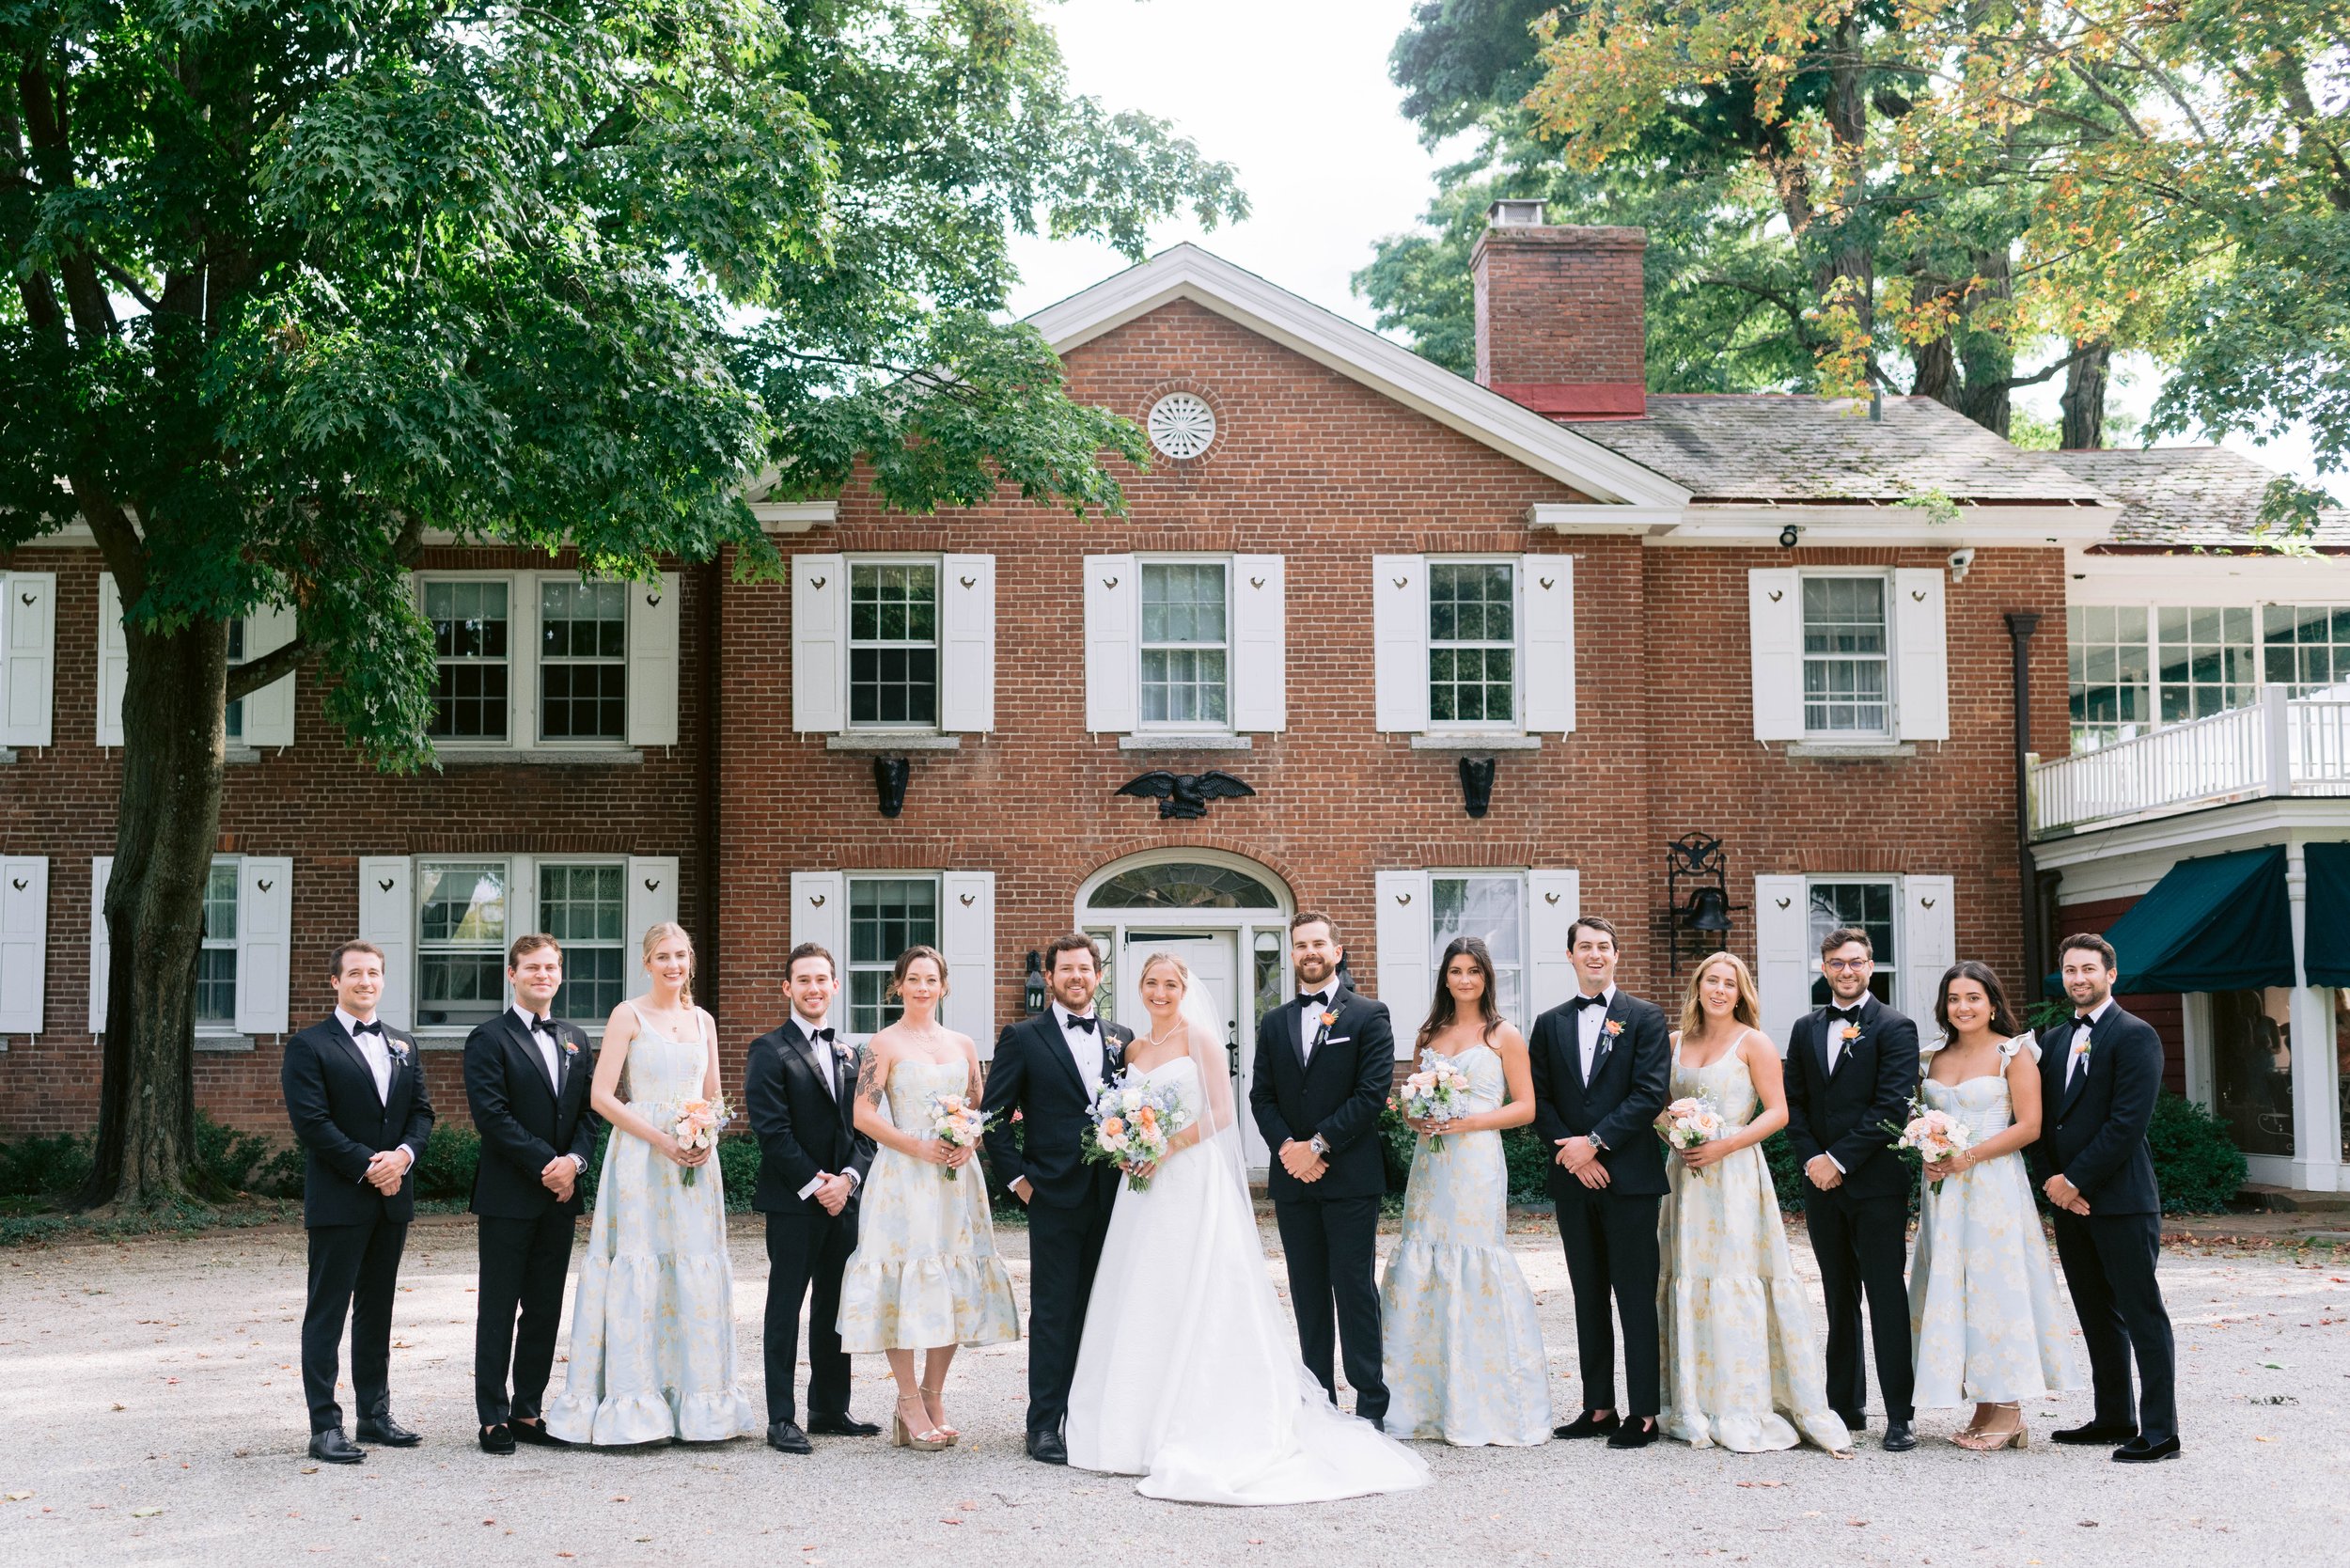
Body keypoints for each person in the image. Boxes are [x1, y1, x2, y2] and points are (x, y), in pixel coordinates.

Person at [1066, 951, 1430, 1503]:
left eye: (1169, 984)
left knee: (1204, 1288)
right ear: (1138, 988)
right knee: (1145, 1290)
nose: (1160, 993)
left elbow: (1222, 1114)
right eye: (1151, 983)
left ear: (1184, 990)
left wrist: (1163, 1144)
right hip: (1145, 1191)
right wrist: (1126, 1145)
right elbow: (1118, 1111)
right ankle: (1132, 1421)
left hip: (1189, 1178)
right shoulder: (1132, 1050)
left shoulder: (1201, 1040)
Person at [543, 922, 760, 1445]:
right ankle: (632, 1404)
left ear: (691, 961)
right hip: (641, 1159)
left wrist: (708, 1135)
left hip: (693, 1162)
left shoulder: (704, 1020)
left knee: (692, 1266)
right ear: (646, 962)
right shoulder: (628, 1014)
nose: (673, 965)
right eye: (663, 956)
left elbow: (714, 1096)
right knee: (640, 1265)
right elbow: (602, 1097)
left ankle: (698, 1406)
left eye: (681, 956)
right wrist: (663, 1141)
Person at [1655, 951, 1851, 1454]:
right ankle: (1689, 1402)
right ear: (1697, 987)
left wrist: (1725, 1142)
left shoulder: (1753, 1042)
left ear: (1742, 993)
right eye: (1712, 981)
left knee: (1733, 1275)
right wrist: (1674, 1133)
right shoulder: (1674, 1042)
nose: (1720, 990)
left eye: (1731, 983)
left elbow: (1779, 1112)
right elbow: (1655, 1105)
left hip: (1735, 1174)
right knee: (1686, 1274)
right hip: (1684, 1175)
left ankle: (1742, 1399)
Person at [837, 946, 1020, 1450]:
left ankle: (934, 1394)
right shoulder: (883, 1044)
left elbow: (981, 1110)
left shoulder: (963, 1044)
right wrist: (918, 1144)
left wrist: (970, 1143)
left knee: (952, 1277)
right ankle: (906, 1401)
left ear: (944, 986)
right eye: (913, 979)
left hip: (955, 1181)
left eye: (930, 979)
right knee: (902, 1278)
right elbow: (864, 1115)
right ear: (898, 985)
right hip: (902, 1176)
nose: (922, 987)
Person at [1378, 936, 1551, 1446]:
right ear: (1445, 978)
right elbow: (1408, 1104)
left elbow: (1525, 1108)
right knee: (1422, 1256)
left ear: (1487, 977)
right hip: (1430, 1166)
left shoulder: (1503, 1034)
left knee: (1474, 1258)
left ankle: (1483, 1403)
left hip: (1475, 1161)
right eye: (1455, 970)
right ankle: (1419, 1403)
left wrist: (1467, 1121)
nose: (1464, 979)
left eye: (1473, 970)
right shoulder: (1429, 1033)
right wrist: (1421, 1116)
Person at [1909, 961, 2080, 1450]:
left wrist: (1968, 1156)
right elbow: (1923, 1118)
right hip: (1943, 1192)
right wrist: (1927, 1150)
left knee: (1994, 1291)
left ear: (1992, 1003)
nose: (1962, 1007)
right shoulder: (1932, 1056)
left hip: (1992, 1188)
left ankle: (2008, 1412)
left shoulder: (2015, 1052)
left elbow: (2029, 1125)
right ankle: (1985, 1406)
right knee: (1960, 1292)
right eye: (1954, 999)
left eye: (1973, 998)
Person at [979, 933, 1134, 1464]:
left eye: (1084, 969)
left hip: (1116, 1198)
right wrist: (1019, 1181)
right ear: (1050, 977)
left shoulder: (1123, 1038)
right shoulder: (1022, 1037)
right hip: (1052, 1195)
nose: (1076, 977)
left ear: (1098, 975)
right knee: (1053, 1312)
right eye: (1065, 969)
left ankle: (1093, 1417)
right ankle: (1044, 1424)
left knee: (1104, 1308)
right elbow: (993, 1118)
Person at [280, 940, 435, 1465]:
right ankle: (324, 1426)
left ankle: (374, 1414)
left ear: (383, 981)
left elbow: (422, 1113)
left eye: (374, 974)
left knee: (377, 1309)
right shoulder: (310, 1045)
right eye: (354, 974)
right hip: (341, 1197)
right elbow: (313, 1124)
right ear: (335, 981)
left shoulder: (403, 1043)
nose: (365, 981)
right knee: (327, 1312)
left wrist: (405, 1158)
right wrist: (374, 1166)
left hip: (394, 1198)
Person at [2034, 933, 2180, 1463]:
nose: (2079, 979)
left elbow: (2127, 1123)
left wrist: (2076, 1180)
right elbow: (2040, 1121)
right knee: (2096, 1314)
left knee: (2142, 1314)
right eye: (2070, 970)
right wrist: (2055, 1183)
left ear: (2110, 974)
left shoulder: (2136, 1036)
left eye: (2088, 969)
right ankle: (2114, 1416)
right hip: (2069, 1204)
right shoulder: (2050, 1042)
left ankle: (2162, 1431)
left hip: (2122, 1200)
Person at [1527, 915, 1670, 1449]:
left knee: (1635, 1295)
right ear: (1570, 956)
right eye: (1584, 946)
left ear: (1616, 955)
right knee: (1588, 1295)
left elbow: (1650, 1092)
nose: (1594, 954)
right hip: (1573, 1177)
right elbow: (1538, 1097)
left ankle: (1645, 1413)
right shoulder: (1550, 1022)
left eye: (1603, 946)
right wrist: (1572, 1152)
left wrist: (1597, 1142)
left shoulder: (1646, 1017)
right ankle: (1598, 1406)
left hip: (1629, 1177)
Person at [1249, 913, 1395, 1428]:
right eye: (1300, 945)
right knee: (1307, 1291)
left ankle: (1372, 1406)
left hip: (1349, 1176)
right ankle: (1319, 1402)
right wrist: (1290, 1149)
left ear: (1337, 950)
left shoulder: (1369, 1015)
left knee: (1353, 1288)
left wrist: (1318, 1145)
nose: (1309, 952)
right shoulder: (1274, 1021)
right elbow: (1260, 1096)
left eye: (1318, 944)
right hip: (1293, 1179)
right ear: (1292, 954)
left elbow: (1372, 1093)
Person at [1782, 926, 1921, 1450]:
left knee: (1886, 1297)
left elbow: (1893, 1104)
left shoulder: (1895, 1027)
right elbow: (1792, 1101)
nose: (1847, 971)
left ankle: (1900, 1416)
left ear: (1871, 966)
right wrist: (1814, 1160)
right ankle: (1844, 1406)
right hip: (1821, 1184)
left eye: (1856, 962)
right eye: (1837, 963)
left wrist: (1839, 1159)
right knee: (1840, 1299)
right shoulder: (1803, 1027)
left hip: (1877, 1185)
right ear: (1824, 968)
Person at [462, 933, 599, 1455]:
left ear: (559, 975)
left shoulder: (575, 1038)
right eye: (532, 967)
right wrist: (548, 1163)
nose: (543, 975)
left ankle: (527, 1409)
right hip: (508, 1193)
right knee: (499, 1306)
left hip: (560, 1195)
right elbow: (491, 1116)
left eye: (551, 967)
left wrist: (575, 1164)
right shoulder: (488, 1038)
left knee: (544, 1307)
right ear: (512, 975)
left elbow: (588, 1113)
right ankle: (492, 1416)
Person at [744, 942, 879, 1455]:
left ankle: (828, 1406)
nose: (814, 988)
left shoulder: (854, 1053)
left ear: (835, 985)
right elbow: (771, 1130)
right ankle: (782, 1417)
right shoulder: (768, 1049)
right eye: (803, 980)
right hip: (793, 1201)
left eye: (822, 979)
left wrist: (848, 1178)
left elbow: (866, 1129)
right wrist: (817, 1184)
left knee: (835, 1305)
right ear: (788, 988)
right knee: (786, 1305)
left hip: (844, 1198)